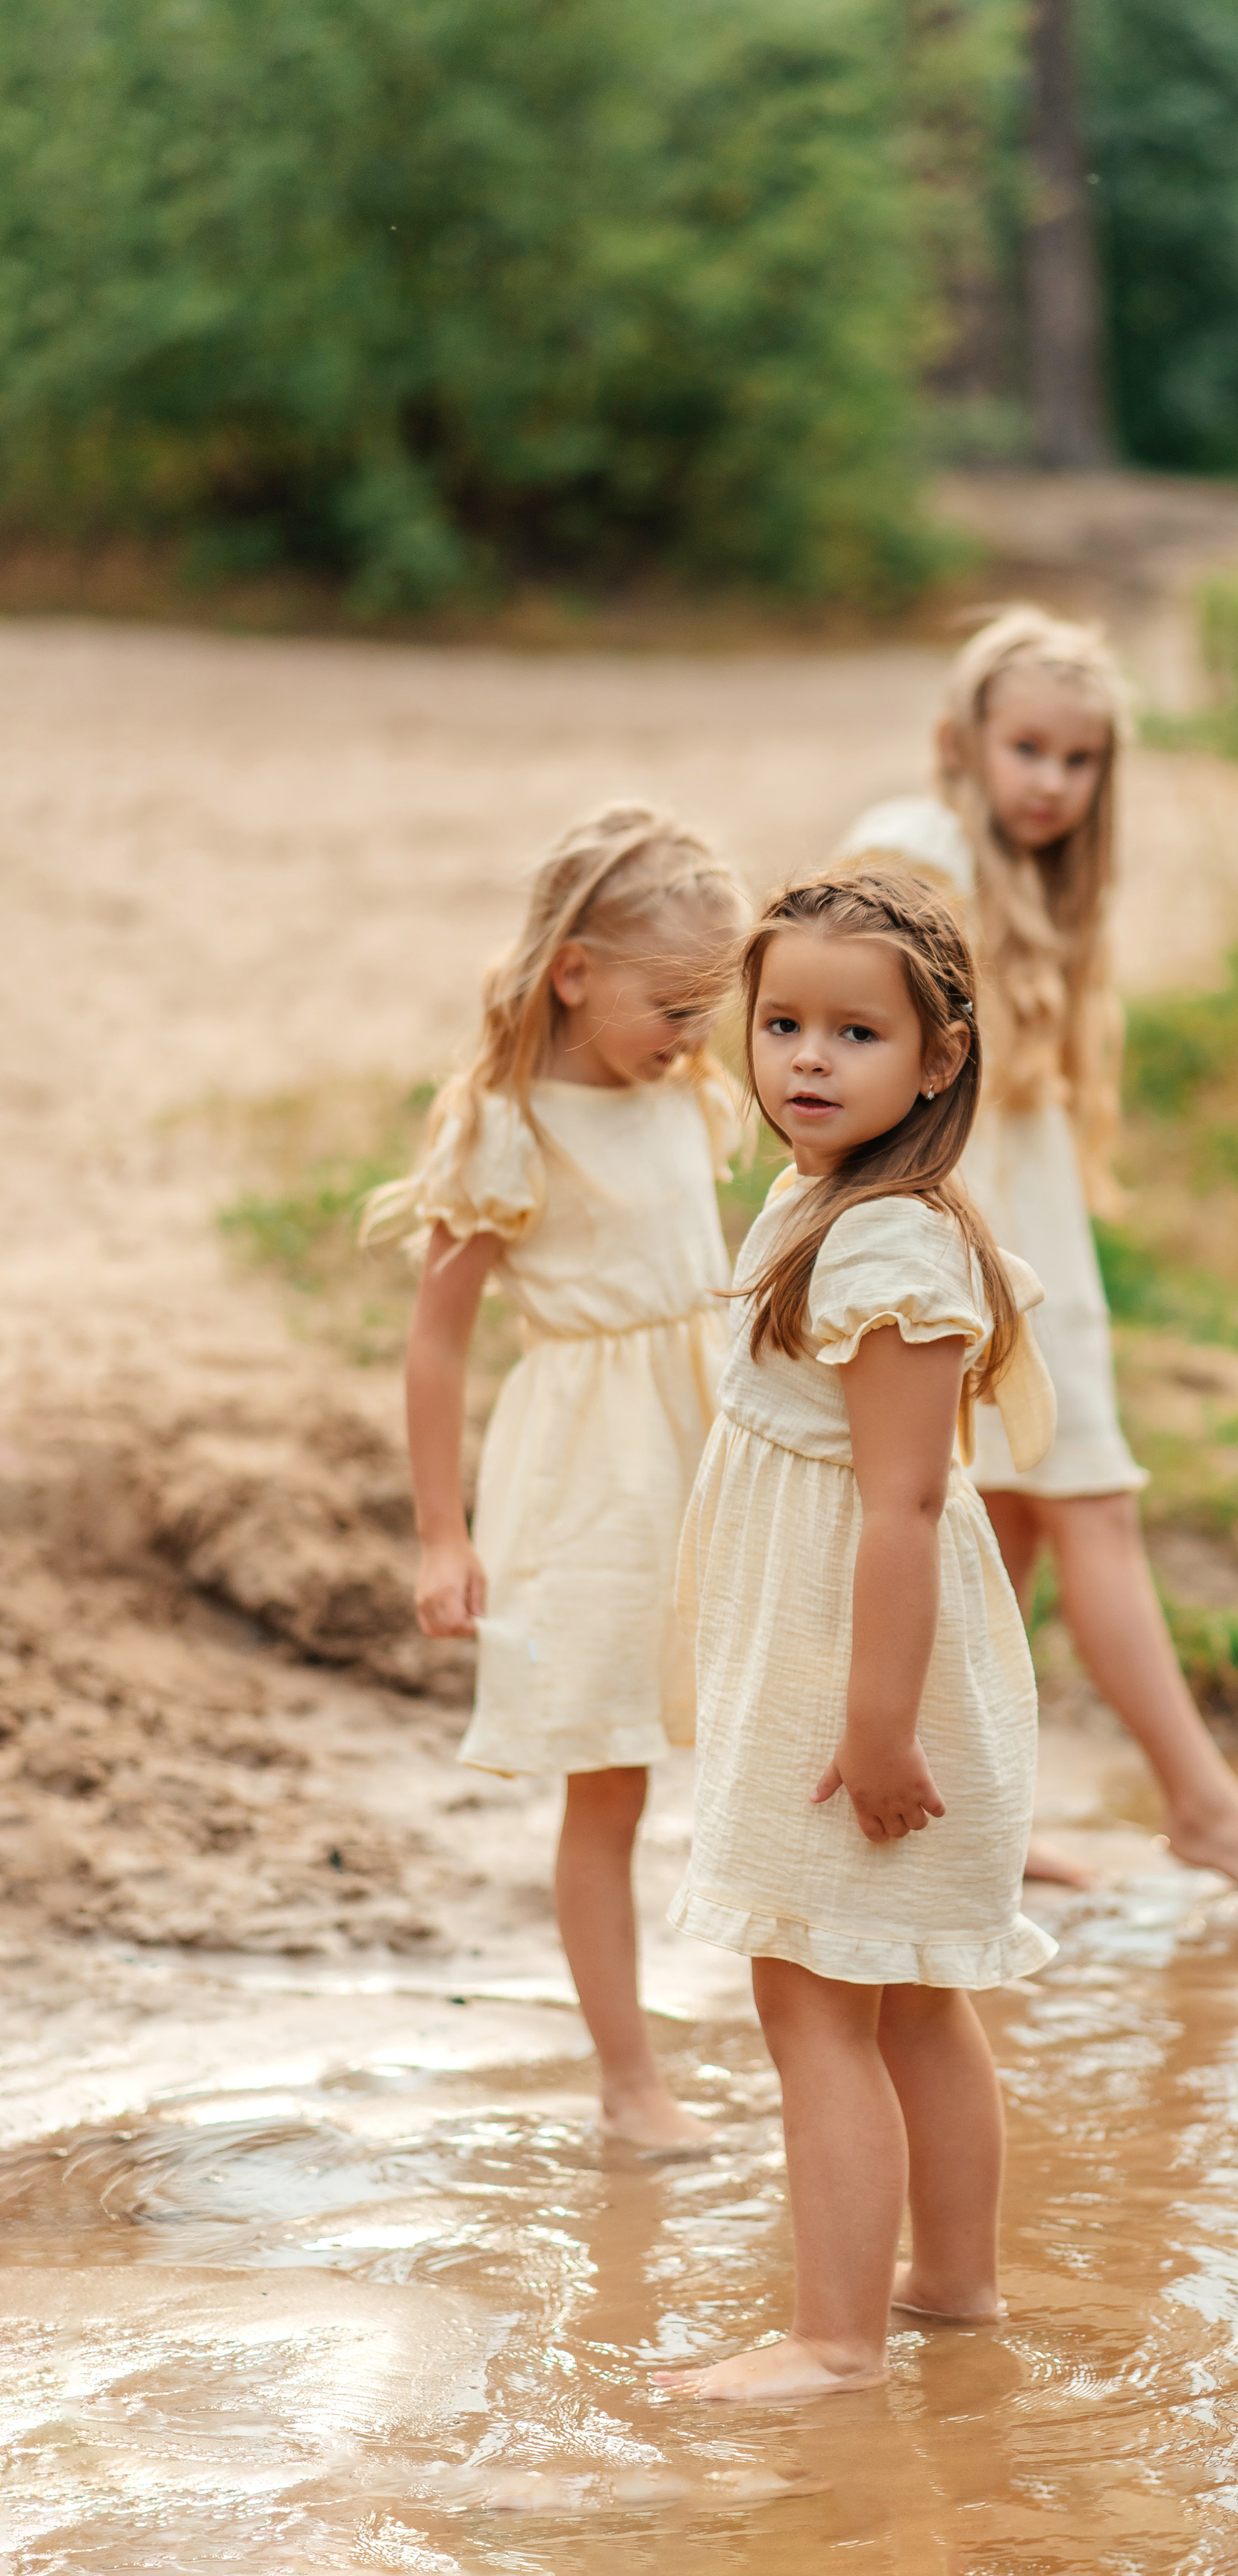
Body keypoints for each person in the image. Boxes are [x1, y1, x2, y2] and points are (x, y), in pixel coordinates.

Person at [842, 607, 1238, 1917]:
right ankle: (1209, 1809)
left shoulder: (1050, 883)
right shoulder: (920, 849)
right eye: (1029, 750)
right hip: (970, 1243)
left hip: (1036, 1235)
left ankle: (980, 1817)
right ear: (964, 742)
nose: (1052, 783)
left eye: (1080, 759)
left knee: (1009, 1530)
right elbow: (854, 1028)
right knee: (1088, 1502)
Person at [661, 867, 1057, 2402]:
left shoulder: (888, 1250)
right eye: (780, 1025)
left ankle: (835, 2343)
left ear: (936, 1061)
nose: (806, 1062)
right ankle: (949, 2287)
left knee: (814, 1991)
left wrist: (876, 1728)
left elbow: (902, 1505)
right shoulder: (820, 1197)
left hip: (863, 1670)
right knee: (897, 1989)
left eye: (853, 1034)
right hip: (844, 1655)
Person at [366, 799, 744, 2148]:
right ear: (576, 971)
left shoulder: (689, 1096)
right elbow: (434, 1348)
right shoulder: (509, 1129)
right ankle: (628, 2076)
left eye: (713, 1006)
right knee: (611, 1774)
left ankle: (818, 2019)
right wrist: (440, 1538)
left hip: (713, 1455)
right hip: (592, 1484)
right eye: (673, 1002)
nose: (697, 1034)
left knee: (763, 1729)